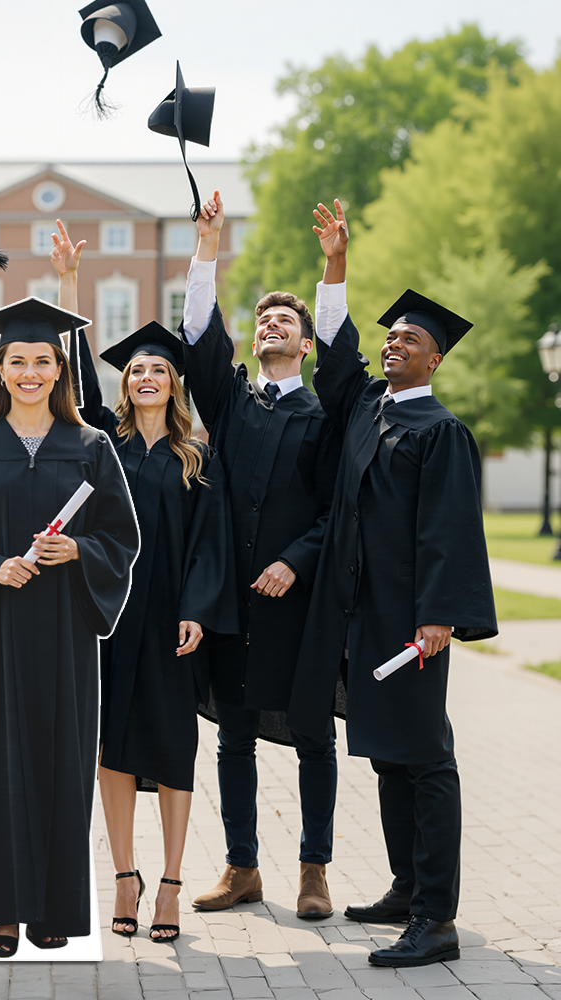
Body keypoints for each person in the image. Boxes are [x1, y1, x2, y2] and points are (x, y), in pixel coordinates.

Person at [288, 201, 497, 967]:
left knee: (424, 758)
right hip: (361, 617)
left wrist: (439, 617)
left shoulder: (439, 432)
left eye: (408, 338)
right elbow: (336, 358)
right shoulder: (368, 413)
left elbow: (448, 531)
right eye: (390, 335)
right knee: (386, 753)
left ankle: (436, 919)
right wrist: (335, 268)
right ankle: (407, 887)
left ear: (435, 359)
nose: (392, 343)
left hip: (412, 624)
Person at [0, 297, 139, 958]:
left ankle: (54, 912)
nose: (30, 371)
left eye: (43, 360)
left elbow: (122, 539)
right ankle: (2, 914)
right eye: (18, 360)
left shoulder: (93, 448)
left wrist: (80, 552)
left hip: (65, 634)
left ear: (60, 370)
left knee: (61, 762)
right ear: (2, 368)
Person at [50, 221, 236, 942]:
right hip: (108, 613)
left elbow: (209, 545)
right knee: (112, 747)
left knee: (171, 745)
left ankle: (172, 881)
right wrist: (70, 286)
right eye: (136, 371)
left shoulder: (197, 455)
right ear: (126, 383)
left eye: (158, 370)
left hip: (169, 621)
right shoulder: (104, 442)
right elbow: (71, 378)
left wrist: (197, 609)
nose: (146, 377)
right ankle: (124, 876)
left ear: (173, 382)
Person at [181, 190, 342, 918]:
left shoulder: (327, 416)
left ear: (306, 345)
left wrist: (298, 559)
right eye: (262, 320)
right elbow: (198, 338)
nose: (270, 324)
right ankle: (242, 866)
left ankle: (314, 870)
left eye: (287, 320)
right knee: (234, 739)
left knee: (312, 737)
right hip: (234, 603)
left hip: (297, 603)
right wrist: (207, 248)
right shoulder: (234, 403)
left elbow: (339, 510)